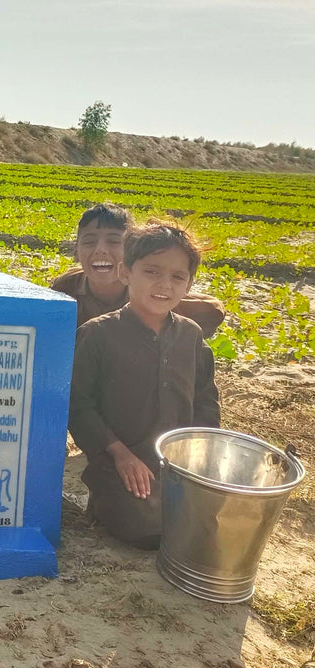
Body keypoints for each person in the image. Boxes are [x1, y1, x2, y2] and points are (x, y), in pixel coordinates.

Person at [67, 220, 220, 548]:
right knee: (147, 527)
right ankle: (106, 505)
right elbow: (78, 405)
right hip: (117, 460)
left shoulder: (191, 336)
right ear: (126, 273)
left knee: (215, 520)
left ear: (189, 283)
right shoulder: (97, 335)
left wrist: (198, 456)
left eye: (178, 276)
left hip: (177, 463)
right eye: (152, 271)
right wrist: (119, 453)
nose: (164, 284)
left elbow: (206, 401)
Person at [51, 203, 226, 337]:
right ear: (76, 251)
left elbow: (214, 309)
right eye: (89, 242)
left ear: (131, 251)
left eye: (113, 241)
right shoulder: (65, 288)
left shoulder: (147, 291)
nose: (100, 250)